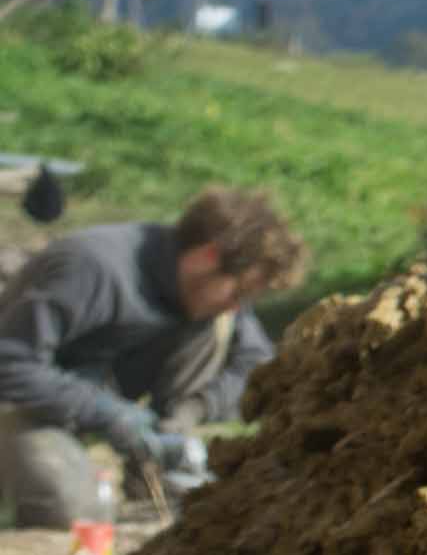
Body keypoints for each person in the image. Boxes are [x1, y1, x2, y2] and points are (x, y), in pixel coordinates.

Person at [0, 185, 306, 528]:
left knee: (218, 326)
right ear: (207, 256)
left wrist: (196, 408)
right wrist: (107, 413)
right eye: (238, 291)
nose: (237, 306)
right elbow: (10, 363)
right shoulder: (92, 268)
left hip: (101, 395)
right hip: (25, 403)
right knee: (74, 513)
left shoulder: (208, 289)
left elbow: (256, 363)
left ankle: (154, 471)